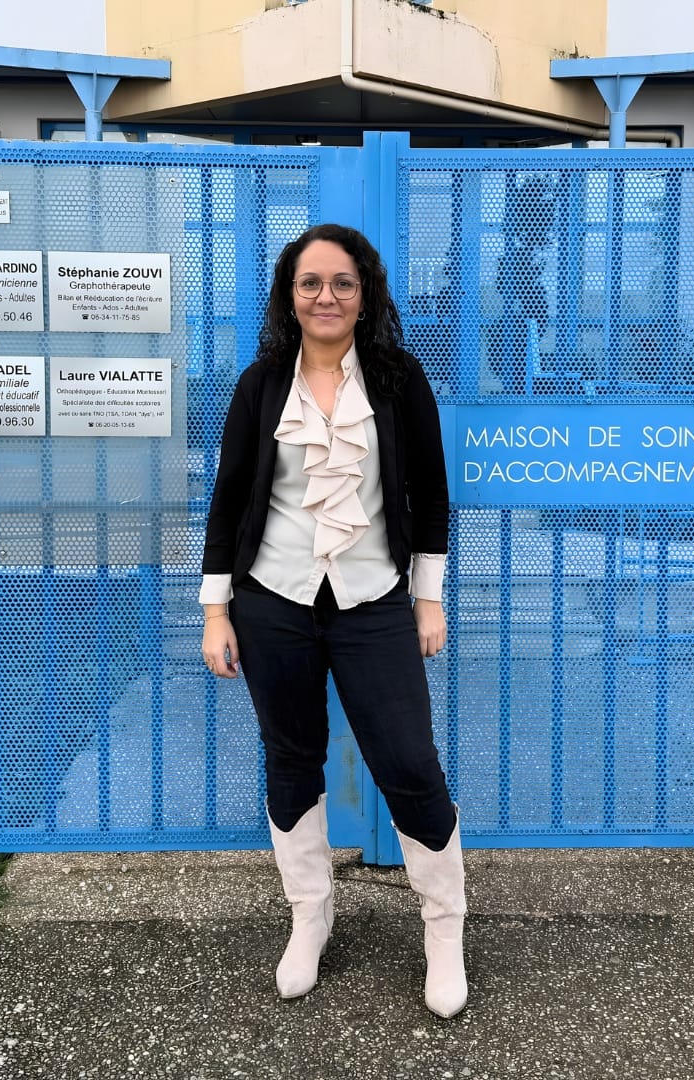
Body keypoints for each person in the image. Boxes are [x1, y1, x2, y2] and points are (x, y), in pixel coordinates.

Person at [199, 223, 466, 1019]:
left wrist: (427, 598)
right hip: (270, 602)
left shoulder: (399, 379)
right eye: (310, 282)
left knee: (410, 763)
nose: (326, 296)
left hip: (373, 601)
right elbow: (227, 500)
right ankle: (310, 916)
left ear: (365, 294)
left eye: (342, 282)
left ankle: (444, 927)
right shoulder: (260, 384)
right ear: (290, 296)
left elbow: (431, 494)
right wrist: (216, 611)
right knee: (291, 760)